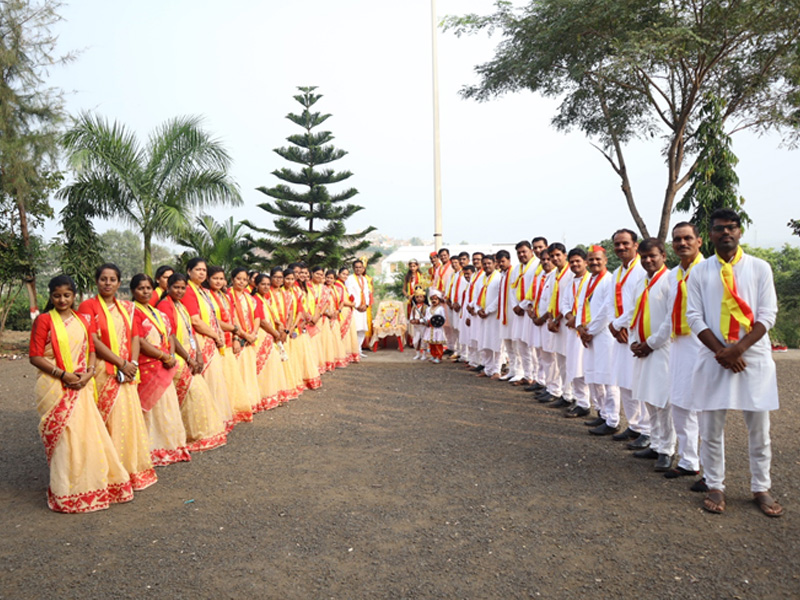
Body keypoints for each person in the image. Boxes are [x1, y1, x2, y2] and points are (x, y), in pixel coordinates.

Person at [686, 208, 782, 517]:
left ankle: (761, 488)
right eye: (719, 229)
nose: (725, 233)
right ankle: (715, 484)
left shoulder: (759, 268)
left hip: (751, 354)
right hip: (715, 355)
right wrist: (722, 353)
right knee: (711, 427)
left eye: (731, 228)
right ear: (710, 234)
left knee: (760, 429)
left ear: (740, 232)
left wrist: (738, 349)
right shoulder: (700, 272)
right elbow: (694, 317)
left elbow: (768, 315)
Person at [29, 275, 134, 513]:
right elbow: (35, 356)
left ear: (74, 296)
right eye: (57, 295)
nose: (62, 299)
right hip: (54, 385)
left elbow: (91, 349)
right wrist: (62, 374)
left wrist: (88, 373)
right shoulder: (44, 321)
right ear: (51, 296)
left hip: (82, 383)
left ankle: (91, 486)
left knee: (86, 435)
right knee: (65, 439)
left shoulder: (82, 319)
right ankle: (66, 491)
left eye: (67, 295)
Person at [78, 263, 157, 490]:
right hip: (104, 370)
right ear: (97, 281)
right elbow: (92, 339)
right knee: (105, 421)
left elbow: (134, 336)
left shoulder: (126, 308)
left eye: (112, 280)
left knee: (126, 421)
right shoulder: (88, 305)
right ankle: (107, 472)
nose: (108, 283)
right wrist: (120, 362)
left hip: (127, 372)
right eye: (103, 279)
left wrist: (131, 363)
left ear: (119, 283)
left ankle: (128, 468)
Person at [157, 273, 227, 452]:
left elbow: (190, 332)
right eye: (176, 287)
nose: (179, 291)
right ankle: (191, 435)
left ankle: (199, 434)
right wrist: (188, 359)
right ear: (168, 288)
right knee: (196, 393)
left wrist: (199, 356)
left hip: (191, 353)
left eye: (182, 288)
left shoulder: (180, 306)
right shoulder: (165, 306)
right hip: (177, 355)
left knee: (199, 392)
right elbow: (171, 336)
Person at [131, 274, 191, 467]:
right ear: (133, 291)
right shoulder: (133, 312)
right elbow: (138, 340)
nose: (145, 292)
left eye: (148, 288)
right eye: (141, 288)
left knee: (168, 408)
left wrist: (170, 356)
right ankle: (151, 450)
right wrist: (163, 356)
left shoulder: (159, 313)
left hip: (165, 365)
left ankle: (170, 446)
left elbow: (170, 336)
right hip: (148, 366)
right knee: (151, 410)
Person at [662, 223, 705, 482]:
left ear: (699, 241)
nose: (682, 243)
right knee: (679, 402)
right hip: (678, 344)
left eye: (688, 238)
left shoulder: (708, 270)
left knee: (704, 408)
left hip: (702, 346)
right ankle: (688, 460)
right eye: (677, 239)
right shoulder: (673, 275)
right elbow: (669, 314)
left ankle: (711, 471)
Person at [627, 239, 674, 470]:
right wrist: (635, 342)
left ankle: (667, 449)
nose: (647, 260)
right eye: (643, 256)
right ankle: (655, 443)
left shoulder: (670, 280)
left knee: (663, 401)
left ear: (663, 255)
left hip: (661, 349)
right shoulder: (641, 282)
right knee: (648, 399)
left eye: (652, 256)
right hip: (643, 349)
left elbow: (670, 320)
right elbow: (636, 313)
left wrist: (650, 343)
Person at [607, 229, 651, 448]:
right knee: (625, 382)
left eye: (625, 243)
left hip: (636, 334)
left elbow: (639, 304)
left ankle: (647, 429)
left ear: (636, 245)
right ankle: (634, 425)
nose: (621, 248)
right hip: (620, 334)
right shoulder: (616, 272)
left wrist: (619, 324)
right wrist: (615, 328)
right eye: (617, 244)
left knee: (640, 383)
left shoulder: (643, 270)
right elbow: (609, 303)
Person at [182, 258, 234, 432]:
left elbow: (212, 316)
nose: (202, 273)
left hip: (211, 339)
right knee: (209, 381)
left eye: (204, 270)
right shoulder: (188, 291)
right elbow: (195, 320)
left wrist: (218, 332)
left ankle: (217, 418)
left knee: (216, 381)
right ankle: (208, 421)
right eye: (198, 270)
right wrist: (214, 335)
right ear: (189, 271)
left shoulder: (203, 291)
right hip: (200, 340)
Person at [576, 247, 620, 434]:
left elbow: (605, 311)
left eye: (597, 259)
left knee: (608, 379)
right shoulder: (589, 280)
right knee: (593, 376)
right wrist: (580, 327)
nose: (594, 263)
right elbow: (580, 305)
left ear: (605, 260)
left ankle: (613, 419)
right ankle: (601, 412)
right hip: (589, 334)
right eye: (591, 260)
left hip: (603, 336)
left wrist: (590, 331)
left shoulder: (609, 280)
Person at [205, 266, 254, 425]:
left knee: (229, 378)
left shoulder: (225, 296)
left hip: (228, 340)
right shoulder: (207, 296)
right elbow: (212, 319)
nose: (218, 281)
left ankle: (230, 410)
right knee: (219, 380)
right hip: (215, 340)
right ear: (208, 279)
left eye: (221, 279)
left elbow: (232, 318)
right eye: (215, 278)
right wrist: (237, 331)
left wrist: (235, 338)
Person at [229, 267, 265, 413]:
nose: (241, 282)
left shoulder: (249, 298)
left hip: (250, 337)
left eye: (244, 279)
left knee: (248, 371)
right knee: (236, 372)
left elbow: (257, 316)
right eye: (238, 279)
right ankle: (238, 404)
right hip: (237, 338)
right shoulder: (228, 296)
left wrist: (254, 333)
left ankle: (250, 401)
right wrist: (242, 335)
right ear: (232, 279)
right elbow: (231, 318)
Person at [561, 248, 591, 417]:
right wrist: (569, 316)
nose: (574, 264)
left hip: (586, 329)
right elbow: (564, 303)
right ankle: (581, 402)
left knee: (586, 367)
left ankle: (593, 405)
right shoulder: (571, 282)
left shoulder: (590, 281)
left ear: (585, 262)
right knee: (575, 366)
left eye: (578, 261)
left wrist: (577, 319)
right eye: (572, 262)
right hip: (573, 330)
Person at [476, 254, 503, 378]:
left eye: (489, 263)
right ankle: (488, 369)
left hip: (494, 316)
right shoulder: (482, 279)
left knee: (496, 343)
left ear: (494, 264)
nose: (487, 266)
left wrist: (488, 310)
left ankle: (497, 369)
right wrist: (478, 309)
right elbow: (477, 296)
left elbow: (499, 297)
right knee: (484, 342)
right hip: (482, 316)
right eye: (484, 264)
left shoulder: (499, 278)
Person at [345, 260, 373, 357]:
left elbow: (367, 293)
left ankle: (359, 349)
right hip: (355, 308)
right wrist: (356, 305)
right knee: (355, 329)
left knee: (362, 330)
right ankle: (353, 351)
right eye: (356, 267)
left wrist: (366, 305)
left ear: (363, 268)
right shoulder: (350, 279)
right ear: (353, 268)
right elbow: (349, 293)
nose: (358, 269)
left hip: (363, 308)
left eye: (360, 267)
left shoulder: (364, 279)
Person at [427, 290, 447, 363]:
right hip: (430, 328)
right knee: (431, 343)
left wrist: (437, 322)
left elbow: (443, 318)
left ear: (439, 300)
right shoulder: (428, 309)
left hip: (437, 329)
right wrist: (426, 321)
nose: (434, 301)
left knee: (437, 343)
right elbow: (426, 317)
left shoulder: (441, 309)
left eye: (436, 299)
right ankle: (433, 355)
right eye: (432, 299)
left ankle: (439, 357)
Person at [409, 288, 429, 360]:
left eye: (421, 297)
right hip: (416, 326)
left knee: (424, 340)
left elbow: (427, 317)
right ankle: (417, 354)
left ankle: (424, 354)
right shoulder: (414, 307)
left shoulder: (426, 307)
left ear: (424, 298)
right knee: (416, 341)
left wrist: (419, 321)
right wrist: (412, 320)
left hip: (423, 326)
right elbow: (411, 316)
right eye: (417, 297)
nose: (419, 298)